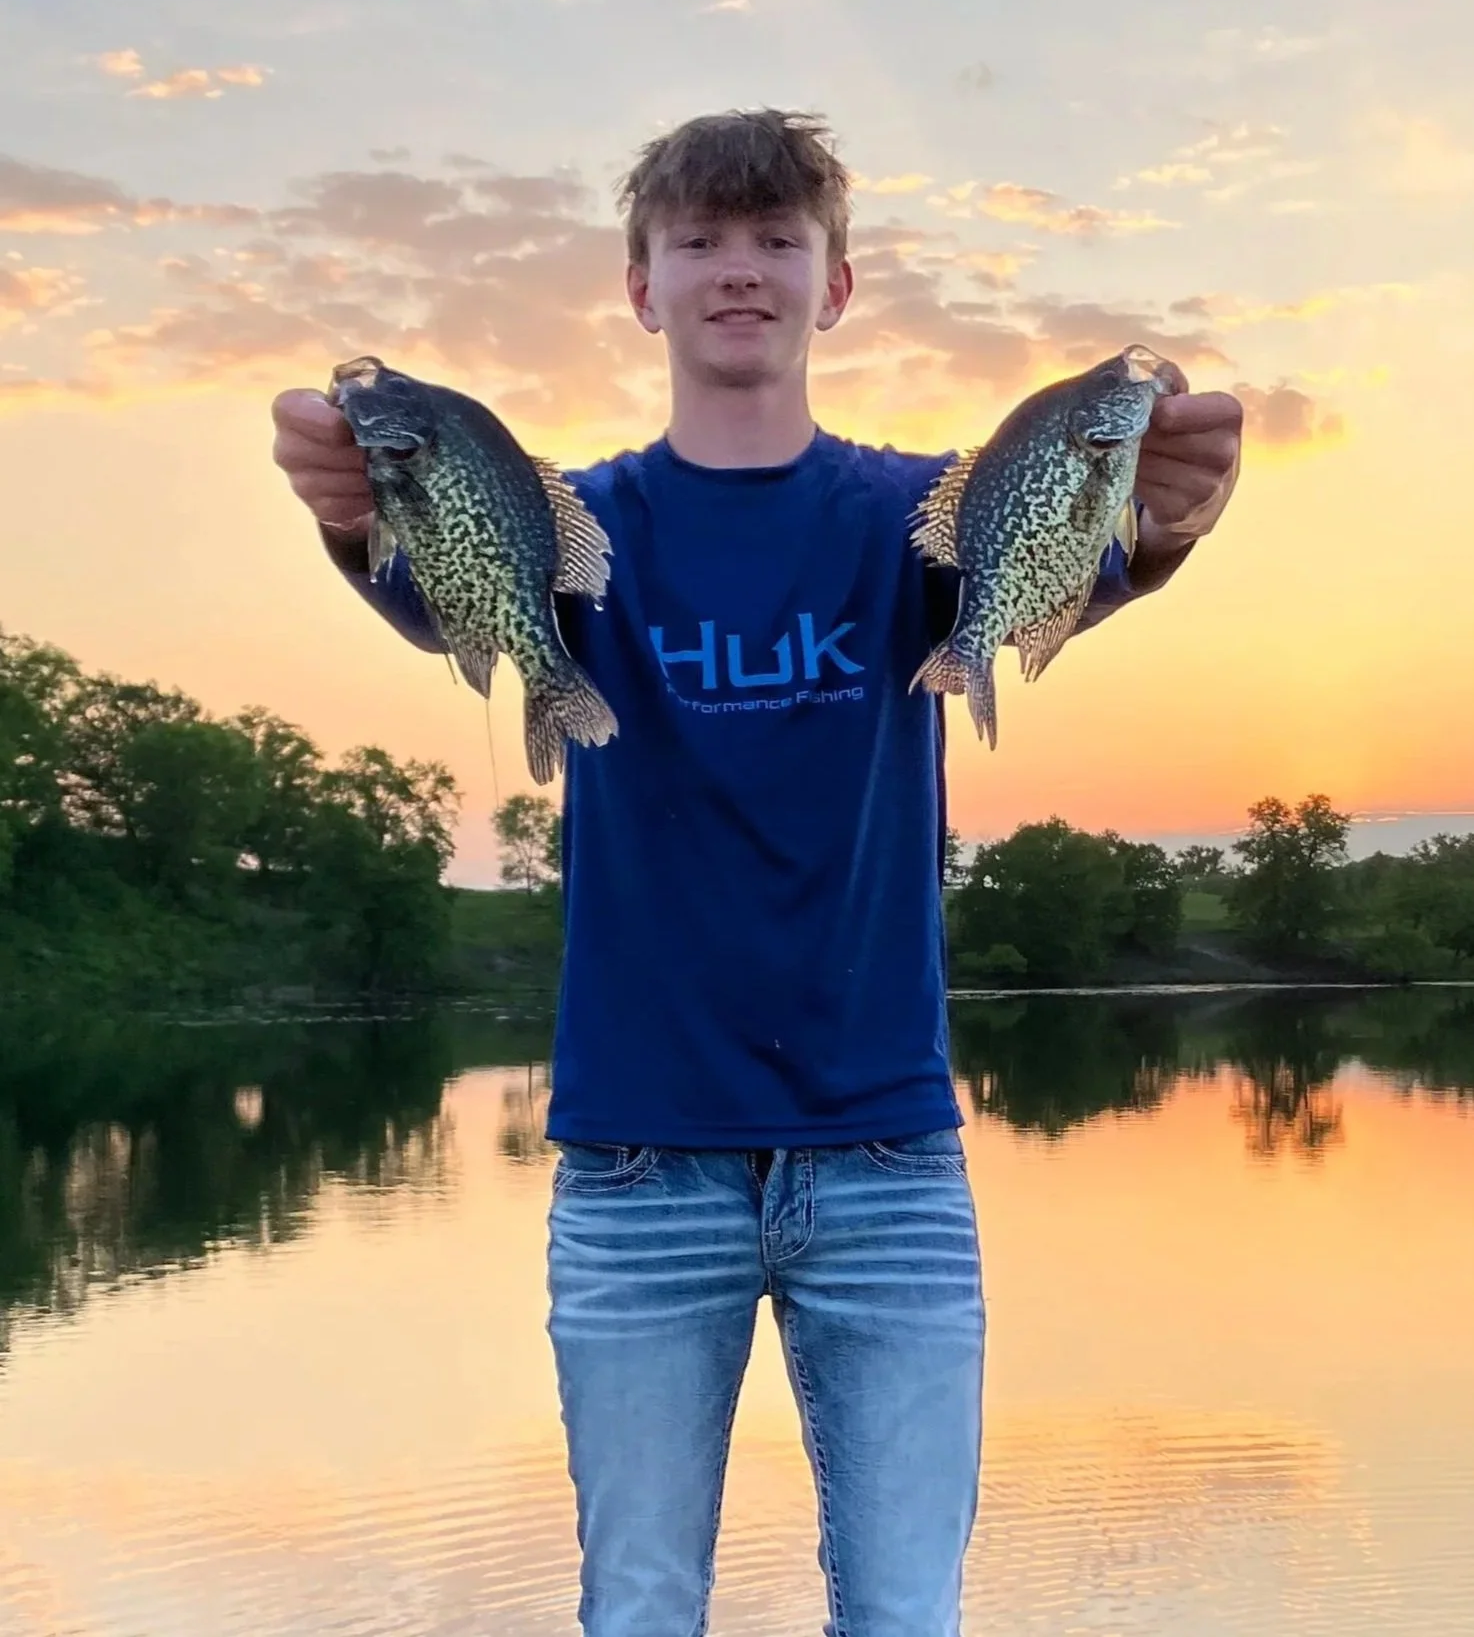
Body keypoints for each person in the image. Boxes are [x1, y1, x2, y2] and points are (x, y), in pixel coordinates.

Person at [271, 109, 1242, 1636]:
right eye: (700, 242)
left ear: (835, 287)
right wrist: (351, 521)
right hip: (637, 1167)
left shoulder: (912, 511)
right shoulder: (573, 521)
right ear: (640, 286)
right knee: (642, 1608)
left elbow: (1062, 564)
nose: (740, 270)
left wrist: (1166, 525)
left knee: (906, 1611)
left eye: (777, 241)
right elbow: (431, 590)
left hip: (887, 1163)